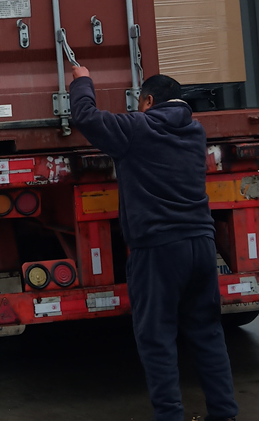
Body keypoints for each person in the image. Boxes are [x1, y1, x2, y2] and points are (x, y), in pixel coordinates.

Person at [69, 66, 238, 421]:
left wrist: (82, 80)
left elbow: (86, 117)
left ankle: (169, 415)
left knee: (156, 338)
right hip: (201, 244)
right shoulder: (195, 132)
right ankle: (224, 413)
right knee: (207, 332)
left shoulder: (137, 129)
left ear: (148, 101)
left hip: (159, 249)